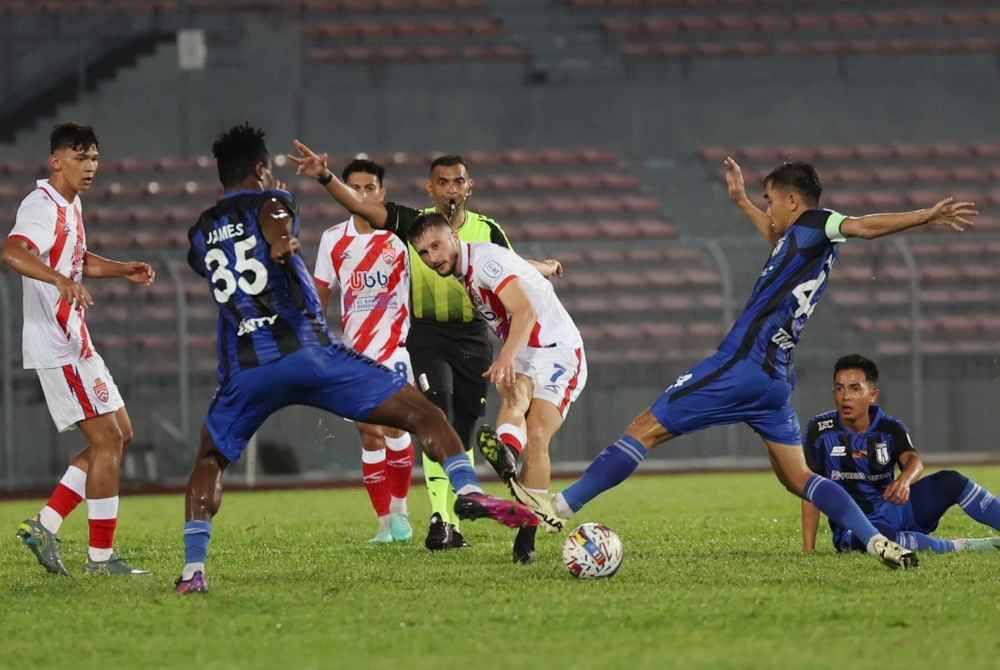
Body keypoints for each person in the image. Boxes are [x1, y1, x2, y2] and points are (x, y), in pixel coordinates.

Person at [511, 158, 978, 571]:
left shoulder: (818, 222)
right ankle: (877, 542)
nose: (767, 208)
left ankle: (560, 506)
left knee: (645, 428)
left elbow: (861, 225)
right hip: (774, 381)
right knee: (800, 478)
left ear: (794, 200)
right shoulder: (802, 239)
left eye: (769, 199)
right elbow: (776, 237)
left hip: (741, 364)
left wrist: (924, 216)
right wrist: (739, 201)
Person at [174, 124, 536, 594]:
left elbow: (205, 262)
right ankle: (465, 491)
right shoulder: (274, 204)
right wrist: (284, 225)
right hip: (307, 351)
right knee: (424, 414)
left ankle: (193, 571)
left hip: (245, 367)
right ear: (262, 169)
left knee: (209, 459)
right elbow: (281, 246)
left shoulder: (200, 230)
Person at [289, 140, 552, 550]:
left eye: (457, 181)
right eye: (441, 182)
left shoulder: (488, 230)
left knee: (460, 432)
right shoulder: (414, 225)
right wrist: (325, 177)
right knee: (435, 416)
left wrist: (545, 266)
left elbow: (512, 269)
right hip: (426, 336)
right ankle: (438, 519)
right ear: (429, 188)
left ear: (470, 187)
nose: (450, 188)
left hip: (472, 339)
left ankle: (455, 517)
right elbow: (366, 209)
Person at [3, 122, 155, 576]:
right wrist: (60, 281)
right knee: (107, 440)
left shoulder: (72, 204)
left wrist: (122, 268)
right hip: (56, 343)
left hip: (77, 340)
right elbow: (12, 251)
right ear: (56, 161)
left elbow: (77, 259)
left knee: (121, 433)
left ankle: (45, 525)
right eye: (80, 157)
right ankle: (101, 559)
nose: (90, 166)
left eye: (93, 157)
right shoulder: (40, 204)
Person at [407, 213, 582, 564]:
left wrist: (505, 357)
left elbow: (526, 311)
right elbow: (518, 266)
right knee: (516, 400)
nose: (432, 257)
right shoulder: (472, 263)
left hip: (557, 352)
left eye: (436, 245)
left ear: (454, 237)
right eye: (423, 253)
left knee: (537, 435)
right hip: (526, 351)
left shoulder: (484, 263)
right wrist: (545, 268)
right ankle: (506, 455)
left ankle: (527, 528)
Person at [803, 354, 1000, 554]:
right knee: (879, 538)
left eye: (855, 388)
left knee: (951, 481)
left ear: (872, 394)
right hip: (854, 528)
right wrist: (808, 550)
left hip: (895, 508)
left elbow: (914, 461)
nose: (845, 396)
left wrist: (905, 480)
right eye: (839, 388)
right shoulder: (820, 431)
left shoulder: (890, 428)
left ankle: (908, 538)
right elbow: (810, 490)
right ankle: (964, 546)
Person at [313, 158, 415, 544]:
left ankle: (402, 510)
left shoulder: (399, 238)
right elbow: (321, 293)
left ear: (382, 193)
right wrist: (317, 342)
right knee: (368, 432)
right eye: (354, 187)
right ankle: (385, 523)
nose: (361, 194)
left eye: (369, 187)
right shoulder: (332, 239)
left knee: (393, 425)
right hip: (355, 350)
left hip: (397, 345)